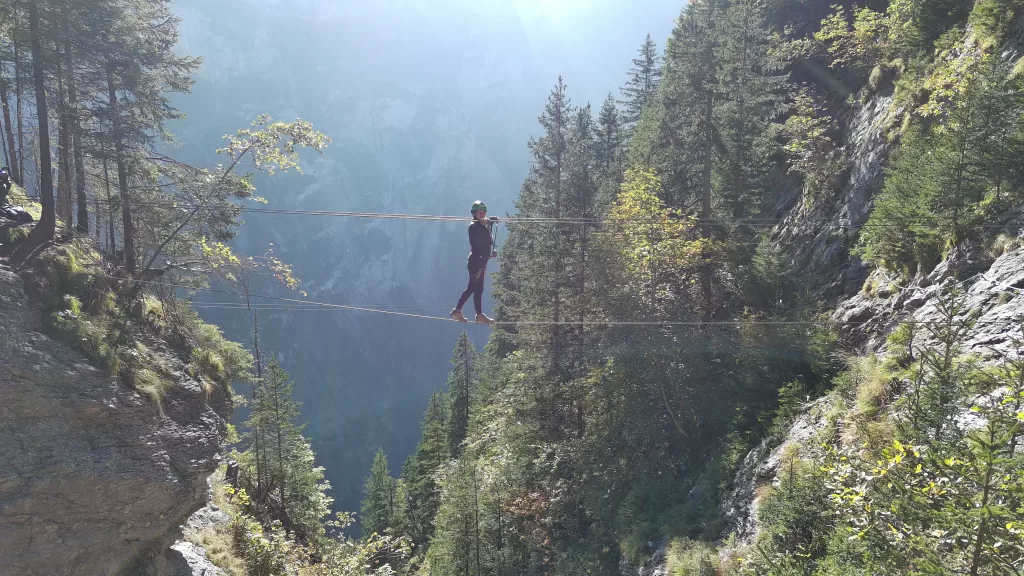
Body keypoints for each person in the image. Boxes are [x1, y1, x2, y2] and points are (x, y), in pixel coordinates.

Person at [451, 200, 497, 324]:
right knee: (473, 288)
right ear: (474, 213)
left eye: (483, 212)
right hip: (477, 262)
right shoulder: (474, 226)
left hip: (479, 261)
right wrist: (487, 223)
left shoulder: (479, 225)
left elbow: (485, 237)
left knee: (477, 288)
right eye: (479, 212)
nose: (482, 214)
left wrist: (490, 223)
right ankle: (461, 311)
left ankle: (476, 314)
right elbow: (480, 241)